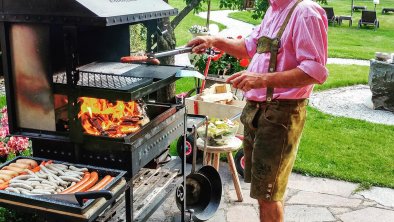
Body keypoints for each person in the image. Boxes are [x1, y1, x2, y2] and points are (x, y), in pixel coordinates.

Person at [187, 0, 328, 221]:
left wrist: (260, 79)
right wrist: (213, 40)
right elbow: (249, 46)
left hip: (280, 114)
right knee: (265, 192)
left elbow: (315, 72)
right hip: (258, 111)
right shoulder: (274, 9)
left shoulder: (305, 11)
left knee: (268, 195)